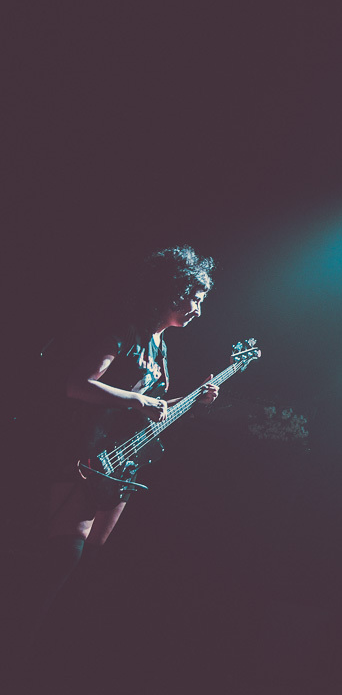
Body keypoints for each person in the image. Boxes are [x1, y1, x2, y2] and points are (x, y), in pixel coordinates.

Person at [16, 245, 220, 647]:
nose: (199, 308)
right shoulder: (125, 331)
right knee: (61, 560)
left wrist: (193, 400)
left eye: (202, 301)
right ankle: (18, 645)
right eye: (195, 298)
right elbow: (79, 384)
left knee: (88, 565)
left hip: (118, 463)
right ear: (171, 292)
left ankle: (51, 653)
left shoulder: (161, 348)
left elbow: (153, 409)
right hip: (84, 452)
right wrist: (140, 400)